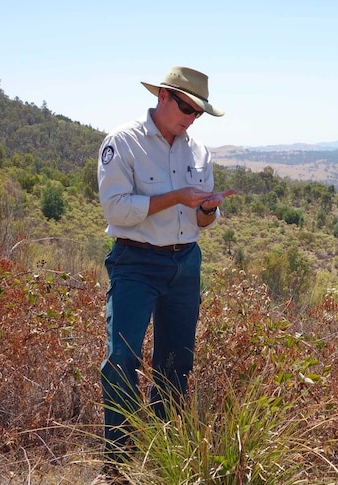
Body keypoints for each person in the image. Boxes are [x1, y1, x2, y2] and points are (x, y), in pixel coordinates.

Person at [94, 65, 236, 479]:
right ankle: (117, 464)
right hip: (135, 262)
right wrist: (176, 195)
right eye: (187, 107)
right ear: (163, 97)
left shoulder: (199, 153)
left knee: (177, 361)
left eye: (198, 113)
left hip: (185, 263)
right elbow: (117, 209)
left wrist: (207, 210)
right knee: (121, 358)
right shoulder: (123, 142)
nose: (191, 118)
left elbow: (204, 222)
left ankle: (163, 455)